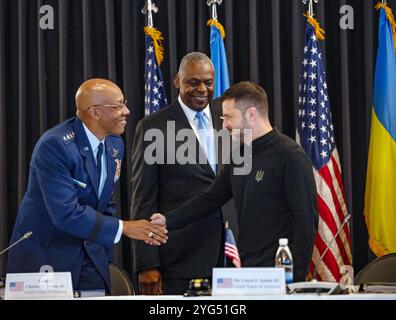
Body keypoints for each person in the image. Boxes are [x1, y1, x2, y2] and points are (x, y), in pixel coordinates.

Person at [6, 78, 168, 293]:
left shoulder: (114, 144)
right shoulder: (55, 146)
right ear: (95, 112)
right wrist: (125, 227)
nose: (127, 111)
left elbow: (104, 203)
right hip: (48, 258)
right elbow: (65, 213)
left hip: (91, 257)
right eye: (118, 106)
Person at [152, 81, 318, 282]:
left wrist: (294, 277)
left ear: (251, 114)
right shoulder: (239, 155)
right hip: (249, 273)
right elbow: (210, 199)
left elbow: (306, 221)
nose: (223, 125)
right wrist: (168, 220)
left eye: (228, 117)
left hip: (282, 275)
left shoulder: (290, 156)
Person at [131, 52, 232, 295]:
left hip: (233, 254)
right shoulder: (152, 127)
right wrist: (147, 263)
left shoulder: (230, 117)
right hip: (180, 257)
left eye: (208, 82)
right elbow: (143, 198)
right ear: (178, 81)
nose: (202, 89)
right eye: (193, 82)